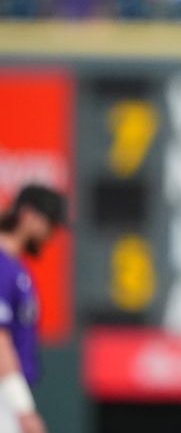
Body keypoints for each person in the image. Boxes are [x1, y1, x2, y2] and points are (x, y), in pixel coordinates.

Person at [0, 185, 66, 433]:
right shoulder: (1, 265)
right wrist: (23, 408)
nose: (52, 233)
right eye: (50, 223)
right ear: (28, 216)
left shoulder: (15, 267)